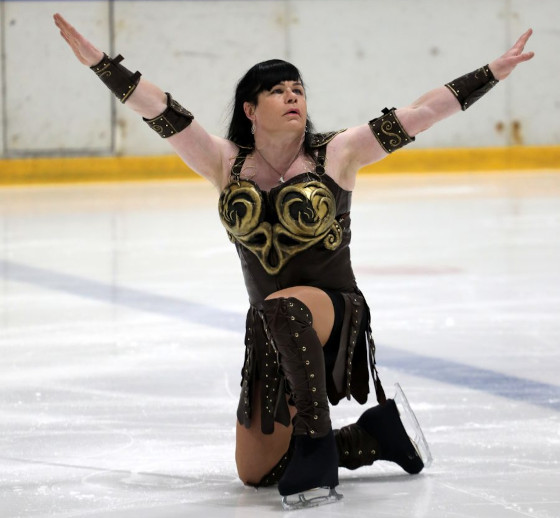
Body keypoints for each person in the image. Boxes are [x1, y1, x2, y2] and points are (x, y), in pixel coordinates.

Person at [53, 12, 534, 510]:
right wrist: (100, 63)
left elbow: (422, 112)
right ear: (250, 109)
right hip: (271, 325)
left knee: (287, 308)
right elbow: (161, 110)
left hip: (331, 310)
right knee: (256, 473)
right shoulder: (224, 162)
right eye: (278, 90)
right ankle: (375, 437)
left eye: (298, 89)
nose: (292, 97)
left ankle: (317, 447)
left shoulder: (338, 152)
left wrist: (491, 72)